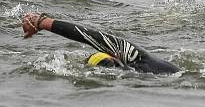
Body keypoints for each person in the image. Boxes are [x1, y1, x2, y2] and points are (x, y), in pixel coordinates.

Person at [20, 13, 180, 74]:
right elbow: (92, 37)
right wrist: (42, 22)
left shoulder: (136, 72)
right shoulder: (142, 62)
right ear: (116, 56)